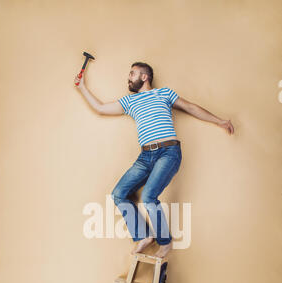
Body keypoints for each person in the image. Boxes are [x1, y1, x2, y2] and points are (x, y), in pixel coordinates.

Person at [74, 62, 234, 258]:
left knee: (149, 196)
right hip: (145, 156)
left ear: (144, 77)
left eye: (132, 73)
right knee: (118, 194)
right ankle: (144, 236)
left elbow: (190, 107)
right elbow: (100, 108)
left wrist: (219, 121)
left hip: (168, 152)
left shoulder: (164, 93)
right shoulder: (129, 101)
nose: (128, 77)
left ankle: (165, 242)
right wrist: (82, 88)